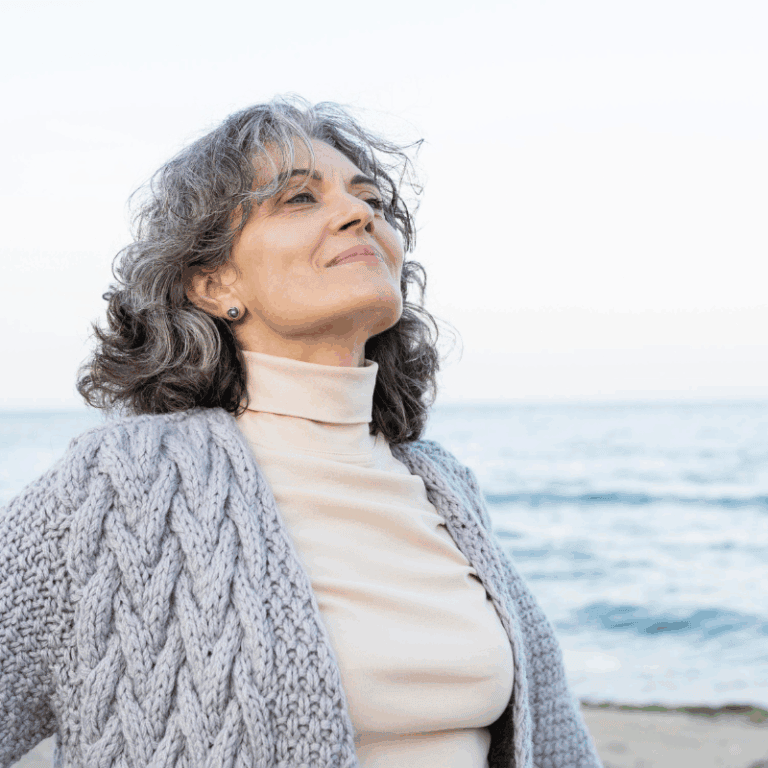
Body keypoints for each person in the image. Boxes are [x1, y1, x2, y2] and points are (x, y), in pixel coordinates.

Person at [0, 95, 603, 768]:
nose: (359, 214)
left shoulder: (441, 487)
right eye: (298, 200)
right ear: (212, 281)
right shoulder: (119, 492)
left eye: (368, 197)